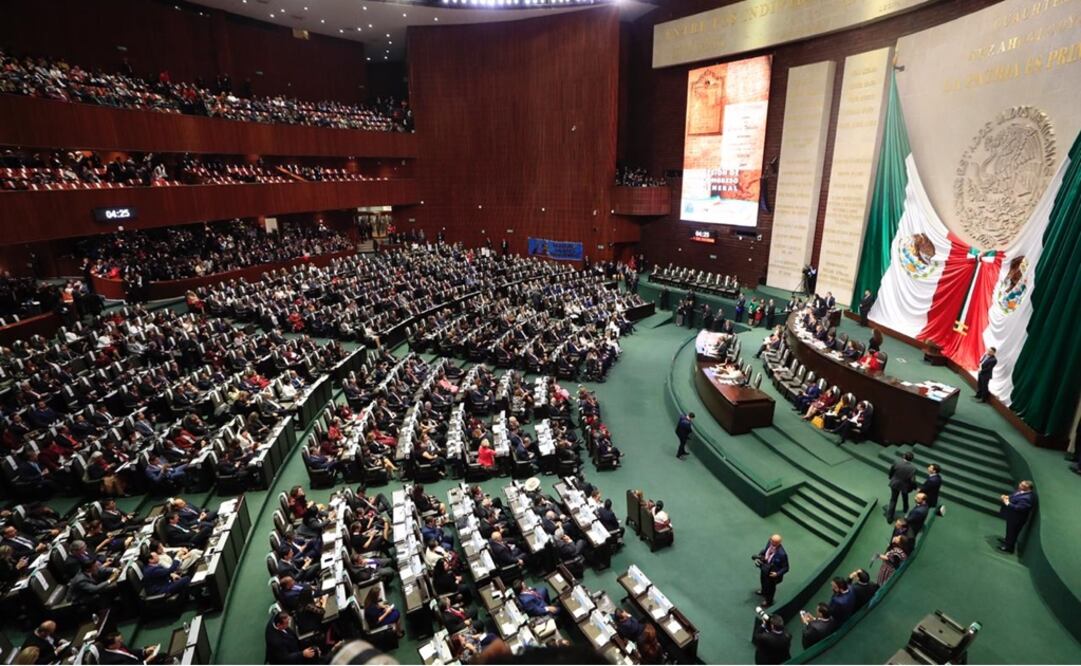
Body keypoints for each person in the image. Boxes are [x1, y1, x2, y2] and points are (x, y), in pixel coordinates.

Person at [998, 480, 1034, 553]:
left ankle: (1009, 547)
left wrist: (1007, 503)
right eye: (1020, 484)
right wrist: (1006, 497)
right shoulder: (1021, 491)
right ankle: (1007, 541)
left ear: (1028, 488)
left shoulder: (1027, 498)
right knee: (1009, 530)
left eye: (1022, 485)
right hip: (1012, 516)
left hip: (1017, 519)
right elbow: (1014, 496)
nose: (1020, 485)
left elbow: (1019, 508)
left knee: (1013, 532)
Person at [755, 534, 788, 606]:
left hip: (772, 574)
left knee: (770, 588)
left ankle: (768, 601)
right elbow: (765, 550)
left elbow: (786, 568)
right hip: (764, 567)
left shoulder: (782, 554)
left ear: (778, 543)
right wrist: (760, 556)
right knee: (763, 580)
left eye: (774, 541)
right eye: (771, 540)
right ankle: (763, 591)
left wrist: (777, 574)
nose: (771, 542)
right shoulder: (769, 543)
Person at [886, 452, 916, 522]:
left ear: (904, 456)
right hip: (905, 486)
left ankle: (889, 518)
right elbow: (912, 480)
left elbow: (891, 471)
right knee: (905, 496)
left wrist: (891, 478)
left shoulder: (897, 462)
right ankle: (905, 508)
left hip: (895, 483)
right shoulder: (913, 468)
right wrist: (914, 487)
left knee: (893, 500)